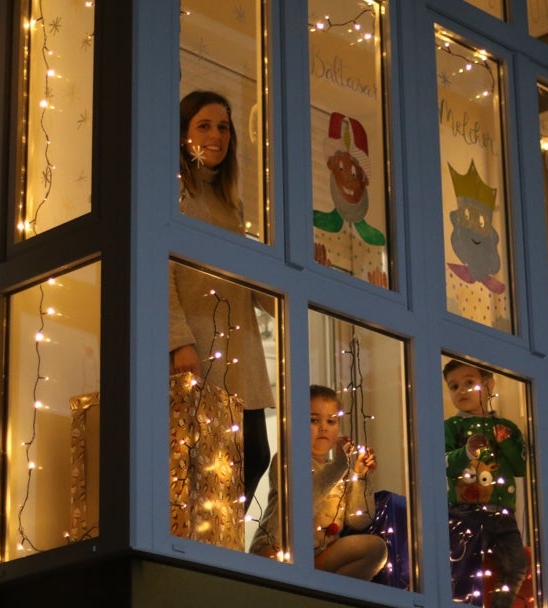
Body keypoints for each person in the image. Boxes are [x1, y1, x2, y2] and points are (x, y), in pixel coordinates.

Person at [170, 89, 276, 509]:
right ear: (182, 135)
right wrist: (179, 342)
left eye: (224, 128)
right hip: (200, 352)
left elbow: (257, 291)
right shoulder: (174, 193)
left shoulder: (233, 207)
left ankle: (225, 548)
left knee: (254, 457)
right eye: (204, 125)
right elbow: (162, 272)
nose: (216, 136)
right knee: (204, 468)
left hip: (241, 357)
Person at [250, 385, 388, 581]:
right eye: (313, 420)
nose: (323, 427)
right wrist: (341, 464)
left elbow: (359, 520)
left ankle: (330, 592)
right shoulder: (287, 459)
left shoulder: (340, 471)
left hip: (320, 558)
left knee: (375, 548)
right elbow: (303, 500)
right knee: (279, 560)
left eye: (331, 421)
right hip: (277, 551)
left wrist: (360, 475)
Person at [443, 359, 528, 608]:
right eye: (454, 386)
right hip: (464, 512)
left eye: (469, 383)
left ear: (489, 385)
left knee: (516, 566)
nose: (461, 391)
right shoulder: (452, 427)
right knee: (464, 564)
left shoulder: (506, 428)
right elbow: (443, 463)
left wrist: (506, 443)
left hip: (503, 514)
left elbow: (520, 466)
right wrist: (466, 453)